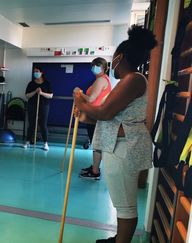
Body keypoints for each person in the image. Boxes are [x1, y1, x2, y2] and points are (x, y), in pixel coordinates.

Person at [73, 25, 156, 243]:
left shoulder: (134, 79)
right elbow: (103, 116)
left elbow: (105, 112)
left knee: (125, 206)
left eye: (113, 58)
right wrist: (82, 111)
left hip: (123, 148)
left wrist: (81, 101)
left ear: (119, 57)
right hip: (118, 146)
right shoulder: (129, 81)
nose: (112, 63)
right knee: (122, 203)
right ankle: (119, 238)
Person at [79, 57, 112, 180]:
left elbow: (91, 99)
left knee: (97, 144)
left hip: (96, 116)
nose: (94, 68)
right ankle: (95, 167)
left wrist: (79, 93)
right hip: (96, 115)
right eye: (93, 66)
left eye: (97, 66)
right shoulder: (103, 80)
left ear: (104, 67)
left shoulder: (101, 80)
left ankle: (95, 172)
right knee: (96, 143)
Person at [24, 67, 54, 151]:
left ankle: (45, 143)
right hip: (32, 105)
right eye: (34, 72)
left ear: (41, 72)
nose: (35, 73)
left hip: (44, 106)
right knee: (31, 124)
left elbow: (51, 95)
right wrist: (35, 92)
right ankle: (27, 142)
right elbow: (27, 96)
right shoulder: (31, 84)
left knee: (43, 125)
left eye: (37, 71)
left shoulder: (47, 83)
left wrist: (41, 93)